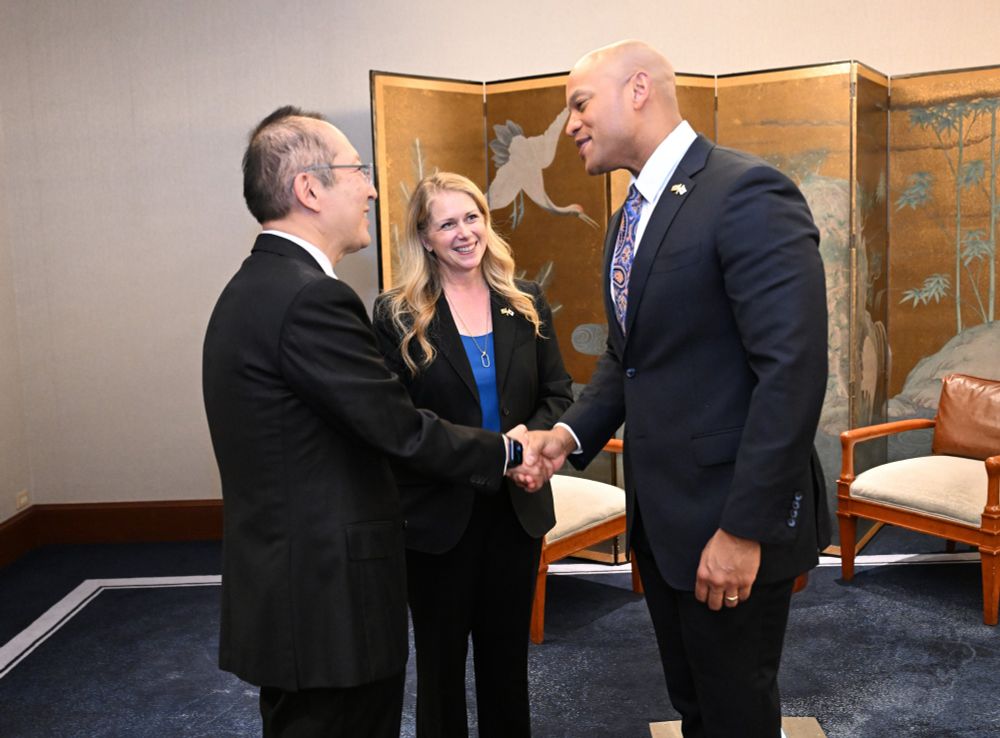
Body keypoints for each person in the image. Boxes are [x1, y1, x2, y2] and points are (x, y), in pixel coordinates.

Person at [520, 41, 831, 737]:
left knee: (735, 715)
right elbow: (630, 360)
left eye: (578, 103)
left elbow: (792, 372)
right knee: (697, 708)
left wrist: (743, 529)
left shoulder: (747, 192)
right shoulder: (633, 215)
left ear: (638, 90)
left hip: (730, 523)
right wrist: (565, 437)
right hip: (665, 523)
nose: (568, 124)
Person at [202, 107, 545, 738]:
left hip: (296, 591)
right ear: (310, 189)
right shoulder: (312, 297)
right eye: (356, 170)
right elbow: (399, 428)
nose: (371, 187)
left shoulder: (257, 286)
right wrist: (506, 452)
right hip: (328, 602)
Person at [372, 172, 573, 738]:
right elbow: (400, 425)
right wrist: (497, 452)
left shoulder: (525, 300)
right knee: (440, 671)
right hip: (437, 517)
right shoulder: (397, 314)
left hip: (517, 510)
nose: (465, 233)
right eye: (447, 223)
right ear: (425, 237)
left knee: (506, 664)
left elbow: (558, 394)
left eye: (473, 217)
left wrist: (529, 446)